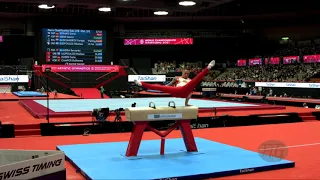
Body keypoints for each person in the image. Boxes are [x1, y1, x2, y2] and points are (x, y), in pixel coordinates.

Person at [135, 60, 215, 106]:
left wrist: (186, 104)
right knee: (159, 87)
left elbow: (189, 93)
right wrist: (168, 85)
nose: (186, 74)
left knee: (196, 79)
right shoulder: (177, 78)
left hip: (185, 91)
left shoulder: (190, 80)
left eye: (187, 73)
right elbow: (168, 86)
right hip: (177, 91)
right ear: (182, 73)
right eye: (185, 73)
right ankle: (141, 83)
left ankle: (208, 67)